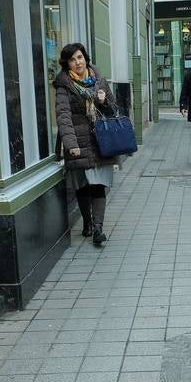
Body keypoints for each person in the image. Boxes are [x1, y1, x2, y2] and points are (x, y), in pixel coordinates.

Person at [54, 42, 116, 246]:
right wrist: (70, 143)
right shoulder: (64, 86)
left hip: (100, 142)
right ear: (67, 64)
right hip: (78, 143)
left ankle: (98, 229)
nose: (77, 62)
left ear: (86, 58)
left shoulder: (99, 80)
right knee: (82, 186)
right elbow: (63, 116)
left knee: (98, 185)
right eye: (72, 59)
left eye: (80, 57)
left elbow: (113, 111)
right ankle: (87, 223)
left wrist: (104, 100)